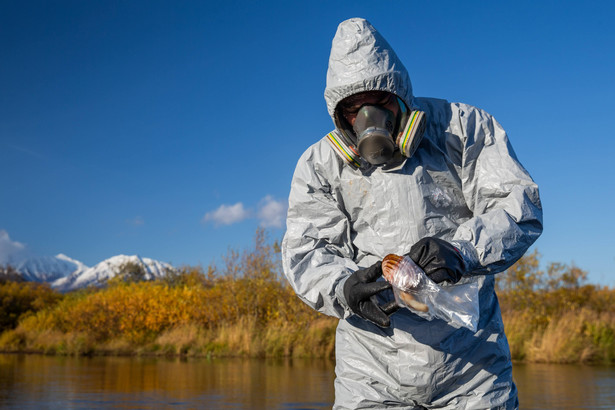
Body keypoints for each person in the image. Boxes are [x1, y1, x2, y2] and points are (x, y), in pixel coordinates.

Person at [282, 17, 542, 410]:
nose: (369, 119)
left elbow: (517, 207)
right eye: (353, 109)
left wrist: (461, 252)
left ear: (402, 94)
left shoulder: (463, 128)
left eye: (380, 102)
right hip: (369, 374)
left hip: (474, 372)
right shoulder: (320, 164)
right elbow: (307, 251)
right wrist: (343, 288)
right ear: (339, 116)